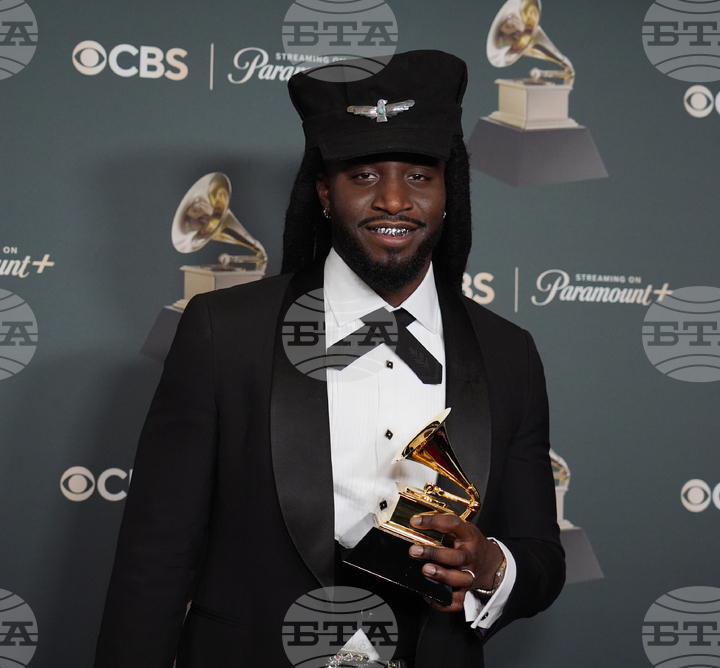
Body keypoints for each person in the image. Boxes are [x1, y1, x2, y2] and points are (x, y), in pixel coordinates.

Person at [94, 50, 564, 668]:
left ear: (450, 190)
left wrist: (488, 565)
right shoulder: (223, 333)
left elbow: (541, 558)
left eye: (419, 175)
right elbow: (154, 559)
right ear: (323, 189)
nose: (394, 200)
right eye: (364, 175)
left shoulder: (509, 353)